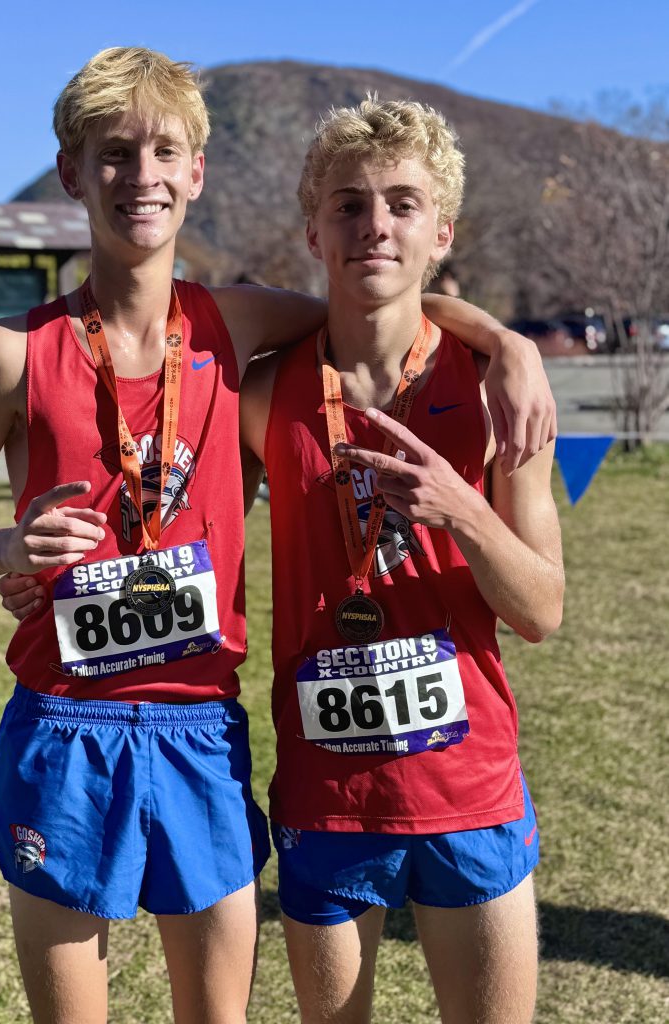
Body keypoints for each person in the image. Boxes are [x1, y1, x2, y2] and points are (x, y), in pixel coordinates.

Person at [0, 47, 555, 1024]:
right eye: (113, 152)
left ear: (196, 172)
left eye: (163, 149)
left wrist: (506, 345)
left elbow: (381, 295)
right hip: (80, 724)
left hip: (222, 738)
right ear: (71, 170)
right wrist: (5, 551)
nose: (140, 174)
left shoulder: (239, 328)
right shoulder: (54, 356)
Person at [235, 98, 565, 1023]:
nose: (374, 224)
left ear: (441, 232)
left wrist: (464, 508)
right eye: (347, 205)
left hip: (468, 787)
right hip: (327, 793)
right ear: (313, 231)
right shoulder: (264, 395)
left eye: (403, 204)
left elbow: (541, 611)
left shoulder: (502, 399)